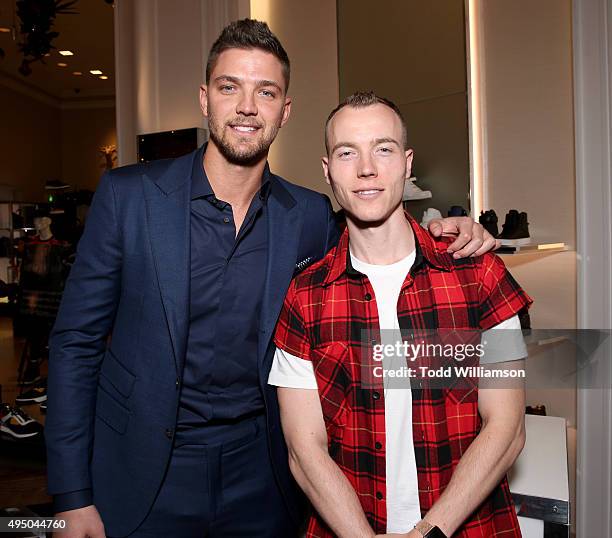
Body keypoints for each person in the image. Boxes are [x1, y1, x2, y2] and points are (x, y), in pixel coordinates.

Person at [46, 20, 498, 538]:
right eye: (228, 87)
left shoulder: (308, 216)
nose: (245, 106)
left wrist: (446, 231)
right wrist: (71, 496)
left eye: (265, 92)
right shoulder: (129, 197)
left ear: (284, 111)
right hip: (142, 471)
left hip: (263, 478)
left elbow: (377, 240)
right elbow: (76, 344)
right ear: (205, 99)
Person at [270, 91, 532, 537]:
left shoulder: (481, 275)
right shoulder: (305, 296)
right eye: (347, 152)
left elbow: (507, 427)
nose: (366, 168)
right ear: (327, 170)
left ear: (408, 164)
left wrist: (429, 533)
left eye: (384, 149)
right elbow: (303, 450)